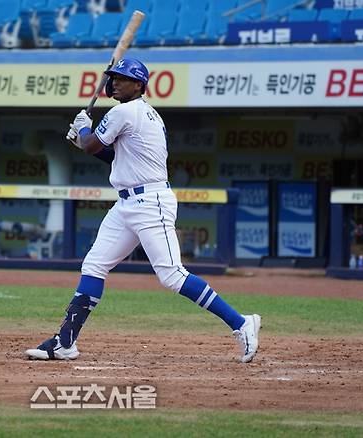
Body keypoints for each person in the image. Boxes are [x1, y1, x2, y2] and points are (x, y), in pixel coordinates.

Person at [25, 59, 261, 363]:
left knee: (172, 275)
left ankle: (241, 323)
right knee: (95, 265)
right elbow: (112, 155)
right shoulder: (143, 113)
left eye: (123, 79)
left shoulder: (125, 111)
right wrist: (84, 140)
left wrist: (84, 130)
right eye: (114, 78)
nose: (116, 83)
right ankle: (65, 342)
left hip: (150, 203)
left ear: (139, 85)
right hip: (127, 203)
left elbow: (92, 145)